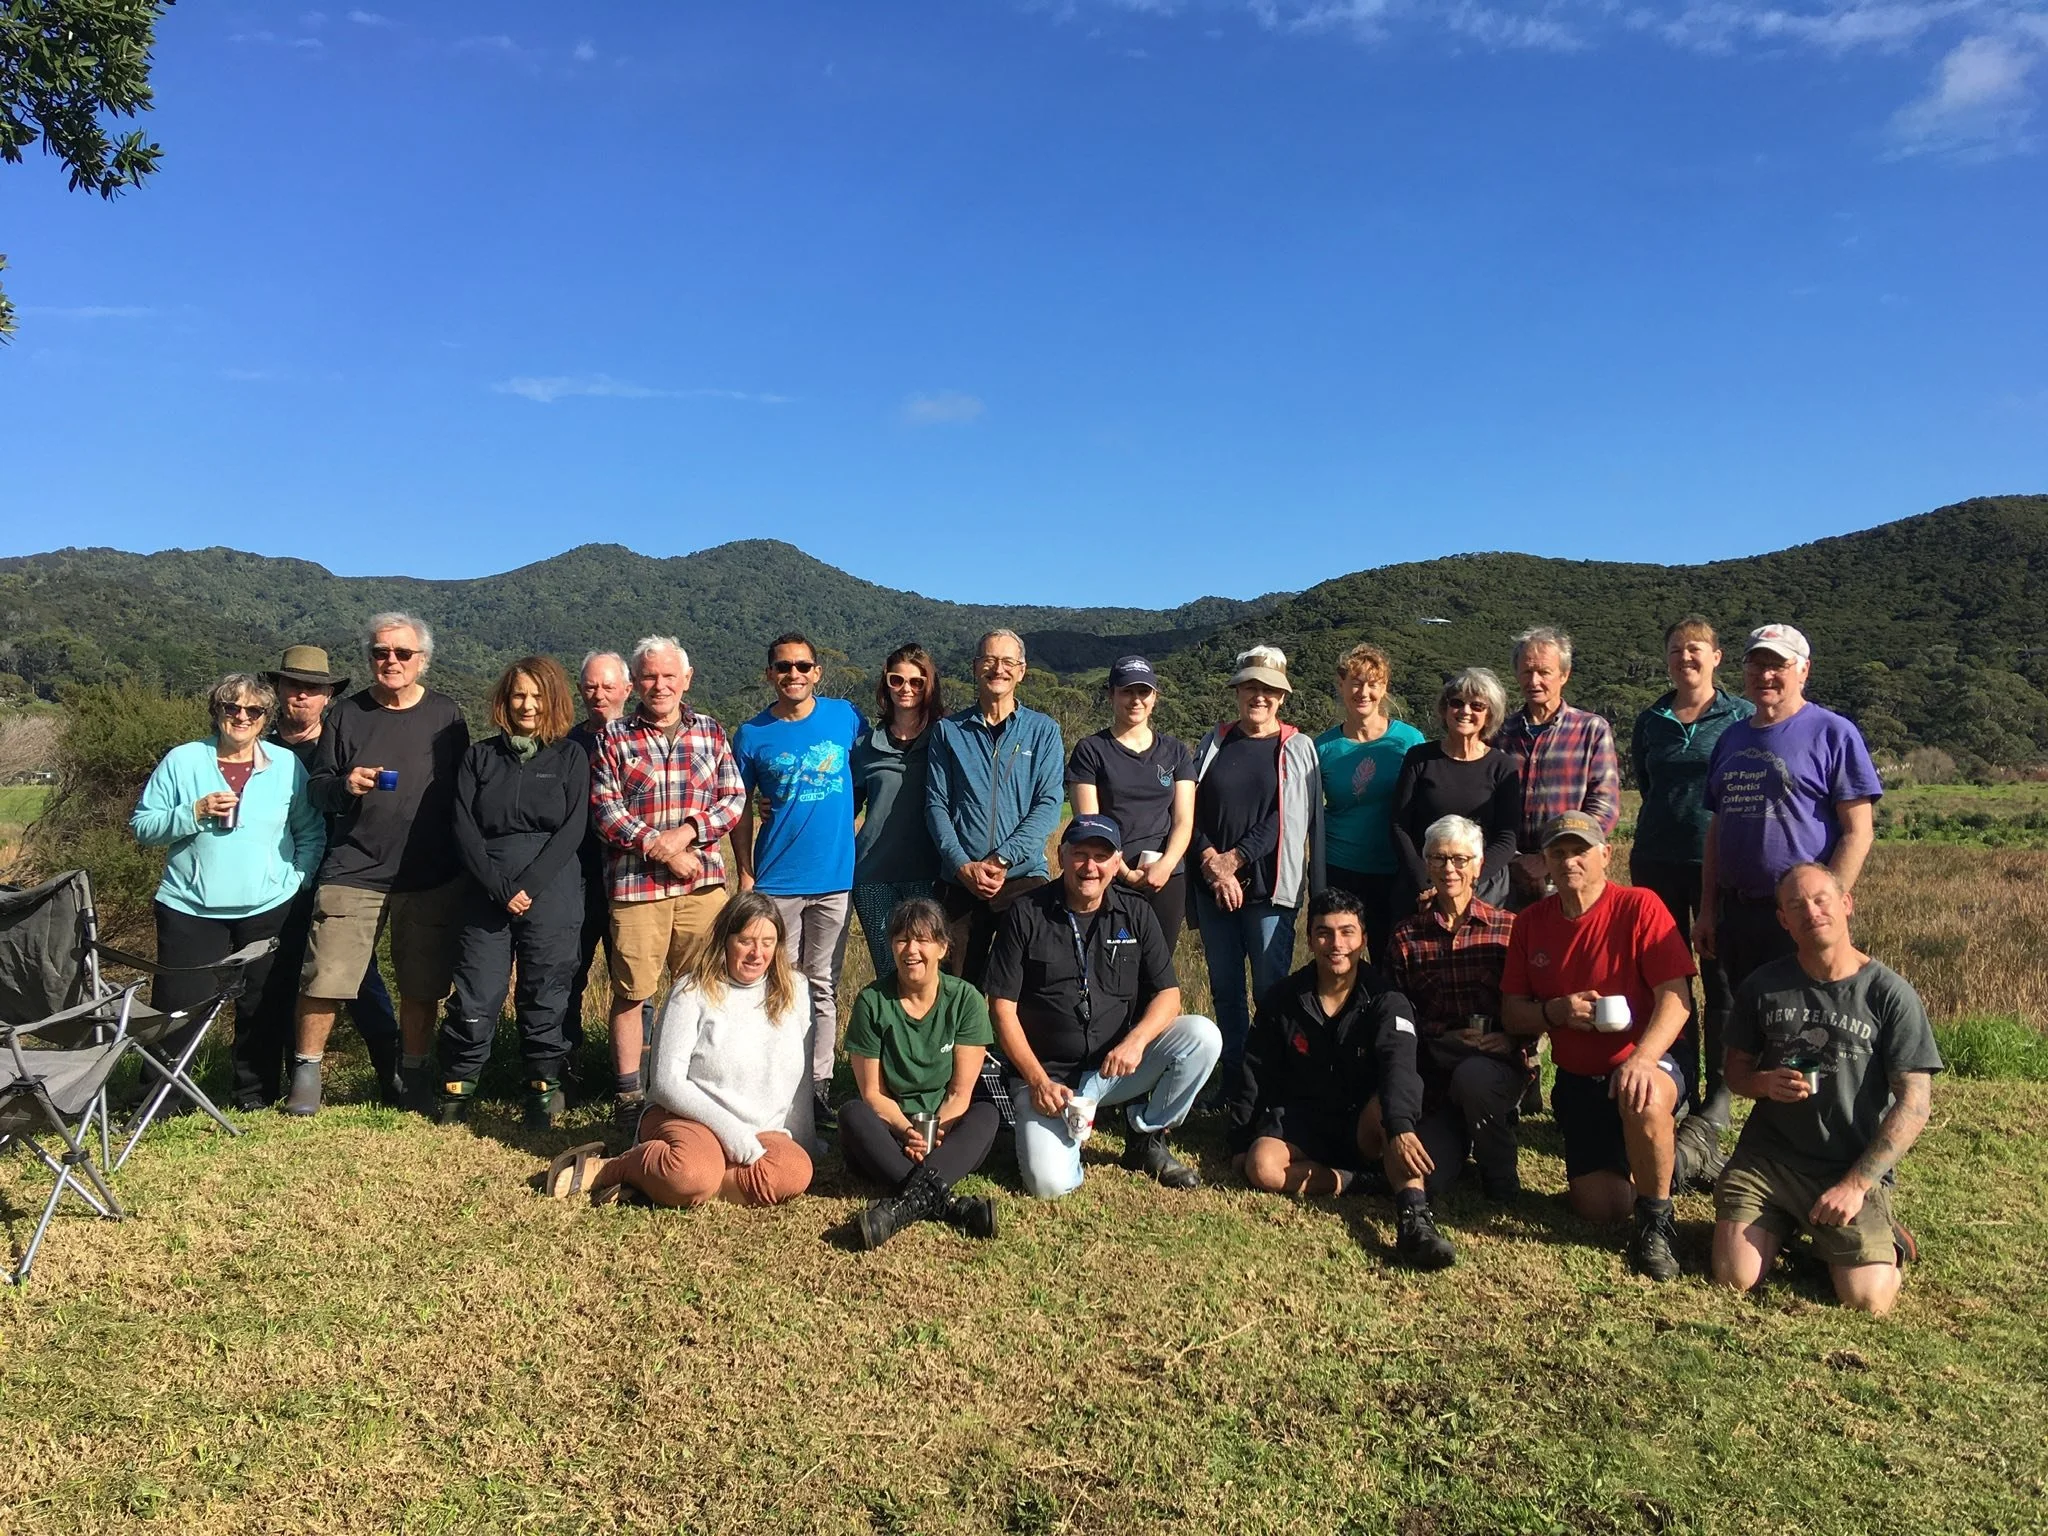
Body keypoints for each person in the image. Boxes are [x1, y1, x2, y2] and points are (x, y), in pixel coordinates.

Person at [1500, 812, 1724, 1280]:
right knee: (1601, 1208)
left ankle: (1657, 1225)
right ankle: (1682, 1156)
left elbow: (1677, 999)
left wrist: (1642, 1059)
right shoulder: (1530, 924)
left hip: (1649, 1058)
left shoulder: (1639, 907)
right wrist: (1553, 1013)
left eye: (1580, 850)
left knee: (1641, 1096)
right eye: (1558, 853)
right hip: (1580, 1076)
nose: (1569, 862)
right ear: (1544, 863)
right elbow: (1512, 1013)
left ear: (1606, 854)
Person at [1712, 864, 1940, 1316]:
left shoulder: (1888, 994)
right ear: (1783, 920)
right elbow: (1733, 1073)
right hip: (1768, 1161)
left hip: (1846, 1165)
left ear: (1846, 904)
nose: (1811, 911)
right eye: (1796, 905)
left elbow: (1915, 1104)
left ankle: (1883, 1238)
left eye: (1821, 900)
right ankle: (1798, 1229)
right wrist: (1762, 1083)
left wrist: (1857, 1185)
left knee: (1868, 1300)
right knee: (1734, 1279)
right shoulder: (1764, 986)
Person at [984, 816, 1222, 1199]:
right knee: (1048, 1185)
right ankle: (1062, 1140)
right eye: (1080, 854)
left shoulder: (1136, 912)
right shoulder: (1026, 912)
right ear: (1061, 856)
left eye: (1101, 855)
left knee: (1202, 1036)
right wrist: (1036, 1080)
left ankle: (1145, 1133)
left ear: (1117, 863)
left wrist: (1136, 1042)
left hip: (1115, 1068)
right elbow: (1001, 1008)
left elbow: (1169, 995)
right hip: (1048, 1079)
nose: (1089, 866)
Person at [290, 614, 470, 1116]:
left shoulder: (447, 715)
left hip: (429, 874)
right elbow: (317, 788)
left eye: (402, 653)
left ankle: (413, 1080)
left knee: (421, 985)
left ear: (422, 660)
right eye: (380, 652)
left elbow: (463, 792)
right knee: (325, 976)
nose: (390, 661)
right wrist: (346, 784)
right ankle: (306, 1080)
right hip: (354, 869)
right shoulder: (347, 714)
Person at [1230, 888, 1458, 1269]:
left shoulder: (1388, 1000)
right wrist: (1240, 1138)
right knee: (1262, 1167)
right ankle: (1357, 1182)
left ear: (1363, 939)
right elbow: (1256, 1069)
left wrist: (1400, 1127)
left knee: (1390, 1108)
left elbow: (1400, 1068)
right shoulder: (1283, 999)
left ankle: (1414, 1221)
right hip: (1305, 1118)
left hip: (1366, 1122)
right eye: (1324, 933)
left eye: (1347, 932)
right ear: (1310, 939)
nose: (1336, 944)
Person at [130, 673, 324, 1112]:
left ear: (265, 718)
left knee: (264, 1006)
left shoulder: (285, 766)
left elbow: (311, 831)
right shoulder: (183, 760)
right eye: (230, 708)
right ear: (216, 712)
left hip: (269, 905)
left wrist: (297, 880)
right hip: (189, 907)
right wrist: (192, 812)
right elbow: (143, 827)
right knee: (178, 1010)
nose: (241, 716)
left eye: (252, 711)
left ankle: (255, 1097)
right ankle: (160, 1101)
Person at [590, 635, 747, 1133]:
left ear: (687, 679)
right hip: (637, 889)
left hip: (701, 890)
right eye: (651, 677)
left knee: (702, 989)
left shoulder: (711, 732)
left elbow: (733, 798)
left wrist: (686, 835)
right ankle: (629, 1094)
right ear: (636, 682)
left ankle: (694, 1085)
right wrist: (659, 848)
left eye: (669, 676)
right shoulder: (613, 737)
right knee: (632, 992)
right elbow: (605, 810)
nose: (660, 686)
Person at [575, 893, 814, 1209]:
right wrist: (729, 1132)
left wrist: (804, 1141)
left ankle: (672, 1182)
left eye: (768, 942)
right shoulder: (692, 990)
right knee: (690, 1173)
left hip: (760, 1131)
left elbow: (801, 1077)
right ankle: (616, 1168)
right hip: (689, 1117)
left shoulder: (795, 989)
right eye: (746, 941)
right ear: (725, 940)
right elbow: (665, 1083)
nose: (758, 953)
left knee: (796, 1171)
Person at [435, 657, 589, 1128]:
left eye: (538, 696)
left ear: (554, 702)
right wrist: (500, 887)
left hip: (553, 890)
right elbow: (462, 826)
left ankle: (542, 1091)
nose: (528, 705)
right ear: (505, 700)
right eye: (520, 695)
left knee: (546, 990)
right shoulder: (480, 757)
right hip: (485, 891)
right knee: (477, 993)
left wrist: (528, 886)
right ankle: (457, 1092)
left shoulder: (570, 757)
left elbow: (572, 828)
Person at [1697, 624, 1882, 1003]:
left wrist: (1824, 907)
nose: (1765, 674)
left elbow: (1858, 832)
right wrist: (1706, 910)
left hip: (1800, 916)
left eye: (1777, 664)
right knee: (1739, 1028)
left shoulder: (1834, 733)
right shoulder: (1730, 739)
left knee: (1803, 1023)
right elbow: (1718, 829)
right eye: (1756, 663)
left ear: (1803, 670)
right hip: (1736, 914)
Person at [732, 633, 863, 1128]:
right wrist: (745, 869)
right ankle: (773, 1081)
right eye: (783, 667)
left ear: (817, 672)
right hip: (776, 880)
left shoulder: (844, 718)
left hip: (834, 878)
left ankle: (819, 1085)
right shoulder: (751, 735)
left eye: (803, 666)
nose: (794, 675)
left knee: (824, 983)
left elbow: (872, 770)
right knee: (776, 984)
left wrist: (860, 821)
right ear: (770, 674)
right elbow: (739, 807)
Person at [1630, 617, 1754, 1124]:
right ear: (1667, 659)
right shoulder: (1651, 719)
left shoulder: (1740, 716)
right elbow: (1647, 781)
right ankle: (1676, 1080)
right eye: (1677, 650)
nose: (1686, 658)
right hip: (1656, 858)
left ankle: (1719, 1093)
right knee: (1665, 977)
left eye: (1696, 649)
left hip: (1718, 862)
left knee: (1719, 976)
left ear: (1717, 657)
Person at [263, 644, 401, 1101]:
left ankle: (392, 1074)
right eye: (293, 685)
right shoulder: (256, 746)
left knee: (359, 978)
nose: (301, 695)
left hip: (337, 876)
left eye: (313, 688)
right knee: (280, 978)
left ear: (327, 697)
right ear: (279, 690)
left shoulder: (340, 740)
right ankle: (277, 1084)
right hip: (271, 881)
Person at [1190, 645, 1325, 1094]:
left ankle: (1269, 1083)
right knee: (1226, 992)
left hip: (1269, 892)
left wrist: (1235, 859)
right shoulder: (1214, 742)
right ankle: (1232, 1080)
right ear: (1238, 690)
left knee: (1270, 994)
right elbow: (1191, 813)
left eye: (1269, 689)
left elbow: (1290, 817)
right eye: (1252, 687)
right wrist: (1212, 862)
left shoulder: (1298, 747)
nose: (1260, 696)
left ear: (1282, 697)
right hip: (1214, 890)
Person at [839, 896, 1001, 1249]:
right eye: (902, 939)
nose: (911, 950)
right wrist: (907, 1132)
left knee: (987, 1113)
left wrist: (931, 1136)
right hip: (892, 1133)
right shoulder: (872, 1002)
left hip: (946, 1129)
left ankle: (900, 1208)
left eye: (923, 940)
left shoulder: (966, 1000)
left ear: (943, 947)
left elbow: (960, 1094)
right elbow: (872, 1094)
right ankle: (951, 1206)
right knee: (852, 1113)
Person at [1381, 815, 1528, 1200]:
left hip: (1494, 1064)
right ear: (1426, 864)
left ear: (1479, 865)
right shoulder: (1406, 936)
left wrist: (1511, 1038)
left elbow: (1532, 1003)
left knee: (1475, 1077)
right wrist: (1440, 1035)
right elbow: (1395, 1018)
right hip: (1434, 1069)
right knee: (1429, 1179)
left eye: (1460, 859)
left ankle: (1500, 1175)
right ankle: (1459, 1137)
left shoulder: (1509, 929)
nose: (1449, 869)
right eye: (1438, 859)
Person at [925, 628, 1065, 986]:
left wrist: (1002, 859)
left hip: (1023, 879)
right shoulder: (948, 731)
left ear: (1021, 670)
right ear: (975, 667)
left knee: (1026, 986)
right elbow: (936, 804)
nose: (997, 669)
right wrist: (962, 865)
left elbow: (1049, 803)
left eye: (1007, 661)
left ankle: (1009, 1046)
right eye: (988, 660)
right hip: (959, 880)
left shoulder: (1043, 731)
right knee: (957, 986)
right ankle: (966, 1045)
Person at [1066, 654, 1197, 951]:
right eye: (1127, 691)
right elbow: (1090, 825)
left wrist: (1165, 865)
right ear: (1112, 694)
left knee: (1158, 970)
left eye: (1143, 692)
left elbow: (1183, 820)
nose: (1135, 700)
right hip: (1107, 877)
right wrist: (1122, 871)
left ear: (1155, 698)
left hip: (1166, 879)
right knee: (1111, 965)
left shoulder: (1175, 752)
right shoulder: (1091, 751)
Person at [1316, 643, 1425, 966]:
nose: (1363, 692)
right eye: (1355, 682)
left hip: (1395, 871)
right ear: (1341, 685)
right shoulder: (1322, 748)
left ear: (1384, 687)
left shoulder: (1409, 741)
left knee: (1391, 962)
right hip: (1341, 868)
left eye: (1372, 684)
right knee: (1340, 962)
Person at [849, 643, 945, 983]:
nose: (906, 689)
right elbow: (844, 804)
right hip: (874, 876)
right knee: (891, 974)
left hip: (933, 876)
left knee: (934, 976)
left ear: (929, 685)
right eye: (897, 680)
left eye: (917, 682)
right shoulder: (863, 746)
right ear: (885, 684)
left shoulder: (945, 738)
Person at [1498, 627, 1620, 893]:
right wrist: (1514, 859)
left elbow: (1604, 806)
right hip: (1507, 875)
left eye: (1544, 672)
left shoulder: (1591, 730)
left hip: (1570, 871)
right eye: (1527, 671)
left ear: (1564, 675)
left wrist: (1549, 858)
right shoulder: (1500, 733)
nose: (1534, 681)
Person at [1389, 667, 1521, 911]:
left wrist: (1469, 880)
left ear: (1490, 714)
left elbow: (1507, 837)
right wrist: (1426, 883)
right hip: (1422, 891)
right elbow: (1399, 825)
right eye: (1457, 703)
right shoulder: (1419, 758)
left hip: (1483, 890)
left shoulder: (1503, 767)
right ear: (1445, 708)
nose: (1465, 711)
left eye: (1477, 706)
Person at [567, 649, 633, 1057]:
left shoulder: (643, 740)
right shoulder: (567, 744)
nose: (599, 695)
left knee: (633, 984)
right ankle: (563, 1070)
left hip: (633, 879)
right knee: (568, 976)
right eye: (590, 687)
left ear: (627, 689)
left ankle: (633, 1078)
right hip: (578, 880)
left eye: (608, 686)